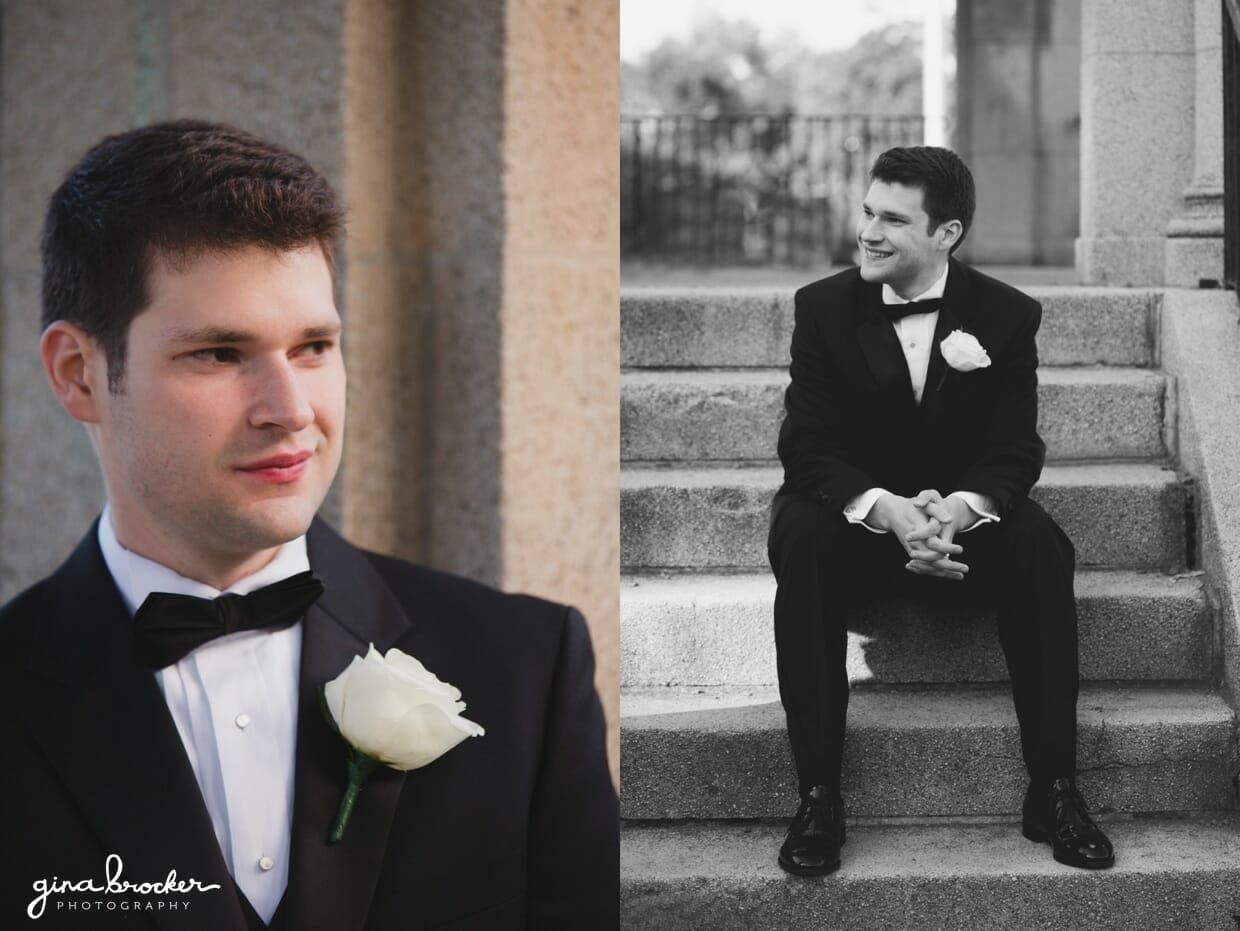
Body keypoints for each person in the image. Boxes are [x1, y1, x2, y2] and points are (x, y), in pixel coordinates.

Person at [0, 119, 617, 930]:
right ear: (80, 375)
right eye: (220, 353)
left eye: (315, 346)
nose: (291, 410)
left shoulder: (526, 665)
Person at [767, 146, 1113, 877]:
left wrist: (957, 510)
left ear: (947, 234)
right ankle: (819, 795)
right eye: (867, 211)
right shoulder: (822, 309)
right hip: (859, 527)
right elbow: (808, 447)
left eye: (893, 219)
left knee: (1042, 543)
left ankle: (1054, 787)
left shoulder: (1006, 316)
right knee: (799, 527)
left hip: (961, 532)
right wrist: (887, 510)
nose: (868, 231)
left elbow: (1016, 449)